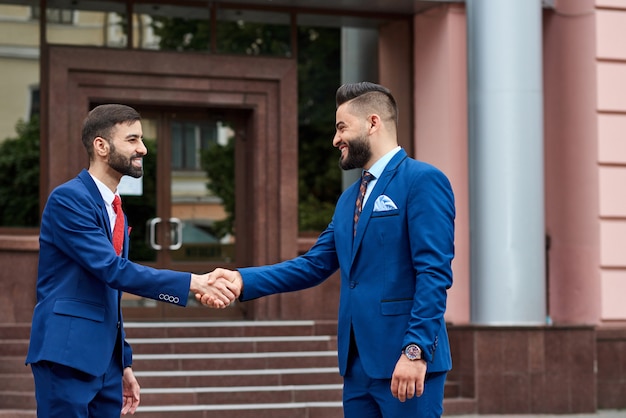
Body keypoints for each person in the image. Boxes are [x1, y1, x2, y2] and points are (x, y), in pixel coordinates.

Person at [201, 82, 455, 417]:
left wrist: (415, 351)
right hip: (356, 366)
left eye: (341, 127)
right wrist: (241, 280)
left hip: (404, 360)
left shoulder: (422, 180)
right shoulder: (350, 198)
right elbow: (314, 265)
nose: (336, 139)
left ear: (373, 123)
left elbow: (433, 274)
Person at [25, 104, 239, 418]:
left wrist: (122, 362)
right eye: (133, 139)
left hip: (106, 365)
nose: (143, 148)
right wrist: (194, 283)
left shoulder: (117, 209)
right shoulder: (68, 199)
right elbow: (111, 270)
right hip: (66, 355)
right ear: (101, 146)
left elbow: (111, 291)